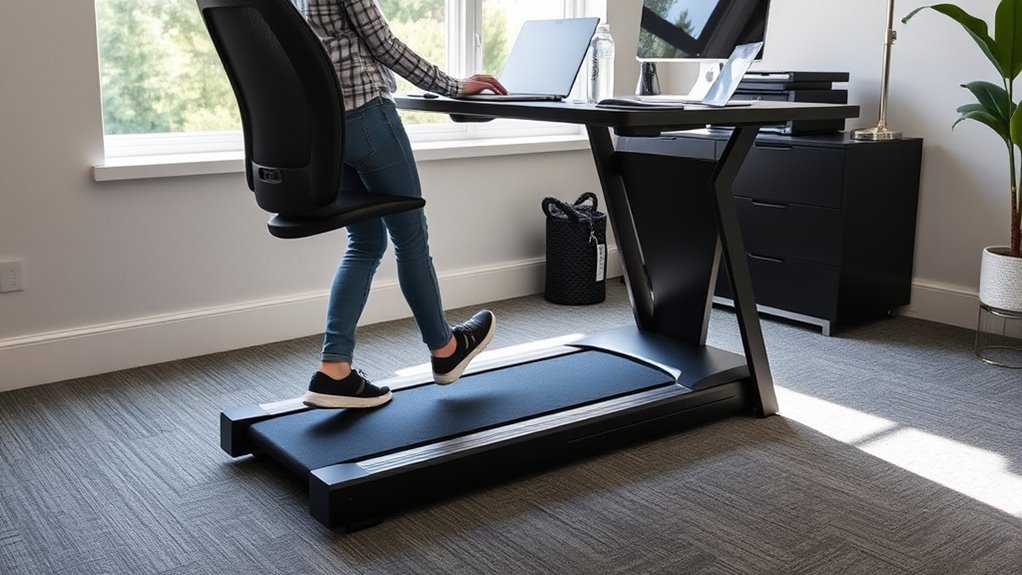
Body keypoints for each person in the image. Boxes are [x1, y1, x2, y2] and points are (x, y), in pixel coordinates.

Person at [296, 0, 506, 409]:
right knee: (410, 236)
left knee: (365, 241)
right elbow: (384, 45)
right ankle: (446, 350)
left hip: (325, 126)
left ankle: (333, 367)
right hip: (366, 117)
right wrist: (453, 85)